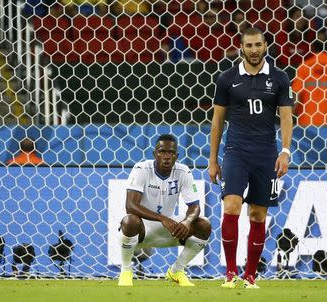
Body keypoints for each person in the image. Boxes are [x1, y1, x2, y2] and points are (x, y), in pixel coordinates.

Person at [208, 27, 293, 289]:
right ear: (241, 47)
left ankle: (251, 276)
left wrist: (285, 151)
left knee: (258, 214)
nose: (254, 50)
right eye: (249, 46)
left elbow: (287, 117)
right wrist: (213, 159)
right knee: (231, 206)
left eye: (258, 45)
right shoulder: (227, 78)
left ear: (265, 45)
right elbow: (218, 120)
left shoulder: (279, 78)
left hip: (266, 154)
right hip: (236, 151)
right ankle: (231, 274)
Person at [117, 134, 211, 287]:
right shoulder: (141, 169)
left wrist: (186, 222)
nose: (166, 156)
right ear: (155, 154)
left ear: (176, 156)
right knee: (129, 220)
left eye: (171, 153)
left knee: (204, 225)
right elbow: (130, 205)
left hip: (169, 229)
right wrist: (162, 218)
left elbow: (195, 206)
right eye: (162, 152)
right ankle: (126, 271)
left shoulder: (183, 171)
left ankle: (176, 271)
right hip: (142, 229)